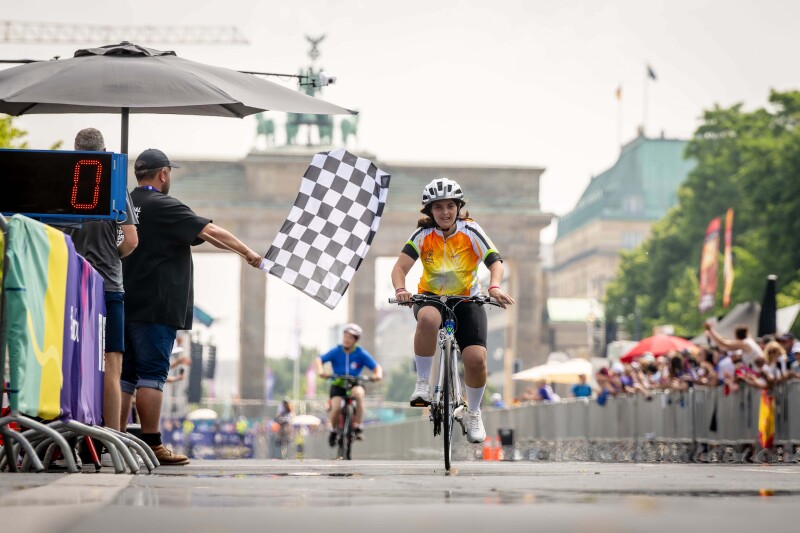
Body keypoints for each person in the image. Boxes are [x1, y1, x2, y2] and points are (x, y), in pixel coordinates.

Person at [120, 148, 263, 465]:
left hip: (123, 302)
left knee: (125, 377)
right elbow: (209, 231)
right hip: (157, 306)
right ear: (164, 174)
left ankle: (113, 441)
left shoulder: (125, 204)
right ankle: (153, 443)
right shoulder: (163, 205)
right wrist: (248, 253)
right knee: (152, 375)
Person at [391, 177, 515, 444]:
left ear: (459, 207)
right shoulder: (422, 236)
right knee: (427, 317)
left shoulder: (471, 231)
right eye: (438, 207)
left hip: (467, 300)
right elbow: (399, 268)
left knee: (475, 360)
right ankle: (423, 384)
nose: (445, 212)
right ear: (429, 211)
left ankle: (473, 412)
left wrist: (493, 286)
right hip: (431, 297)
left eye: (450, 206)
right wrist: (401, 290)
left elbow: (496, 261)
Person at [61, 128, 139, 434]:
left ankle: (71, 433)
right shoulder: (116, 185)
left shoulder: (63, 184)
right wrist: (111, 256)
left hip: (72, 285)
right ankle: (112, 437)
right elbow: (132, 240)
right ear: (105, 151)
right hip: (108, 286)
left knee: (72, 358)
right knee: (112, 361)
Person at [315, 323, 383, 446]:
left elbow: (376, 367)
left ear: (355, 340)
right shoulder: (336, 351)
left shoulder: (361, 353)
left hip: (355, 382)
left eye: (350, 337)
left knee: (359, 394)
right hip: (338, 382)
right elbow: (319, 359)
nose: (346, 339)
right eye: (345, 336)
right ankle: (334, 430)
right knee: (335, 408)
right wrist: (321, 371)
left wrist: (377, 375)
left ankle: (358, 426)